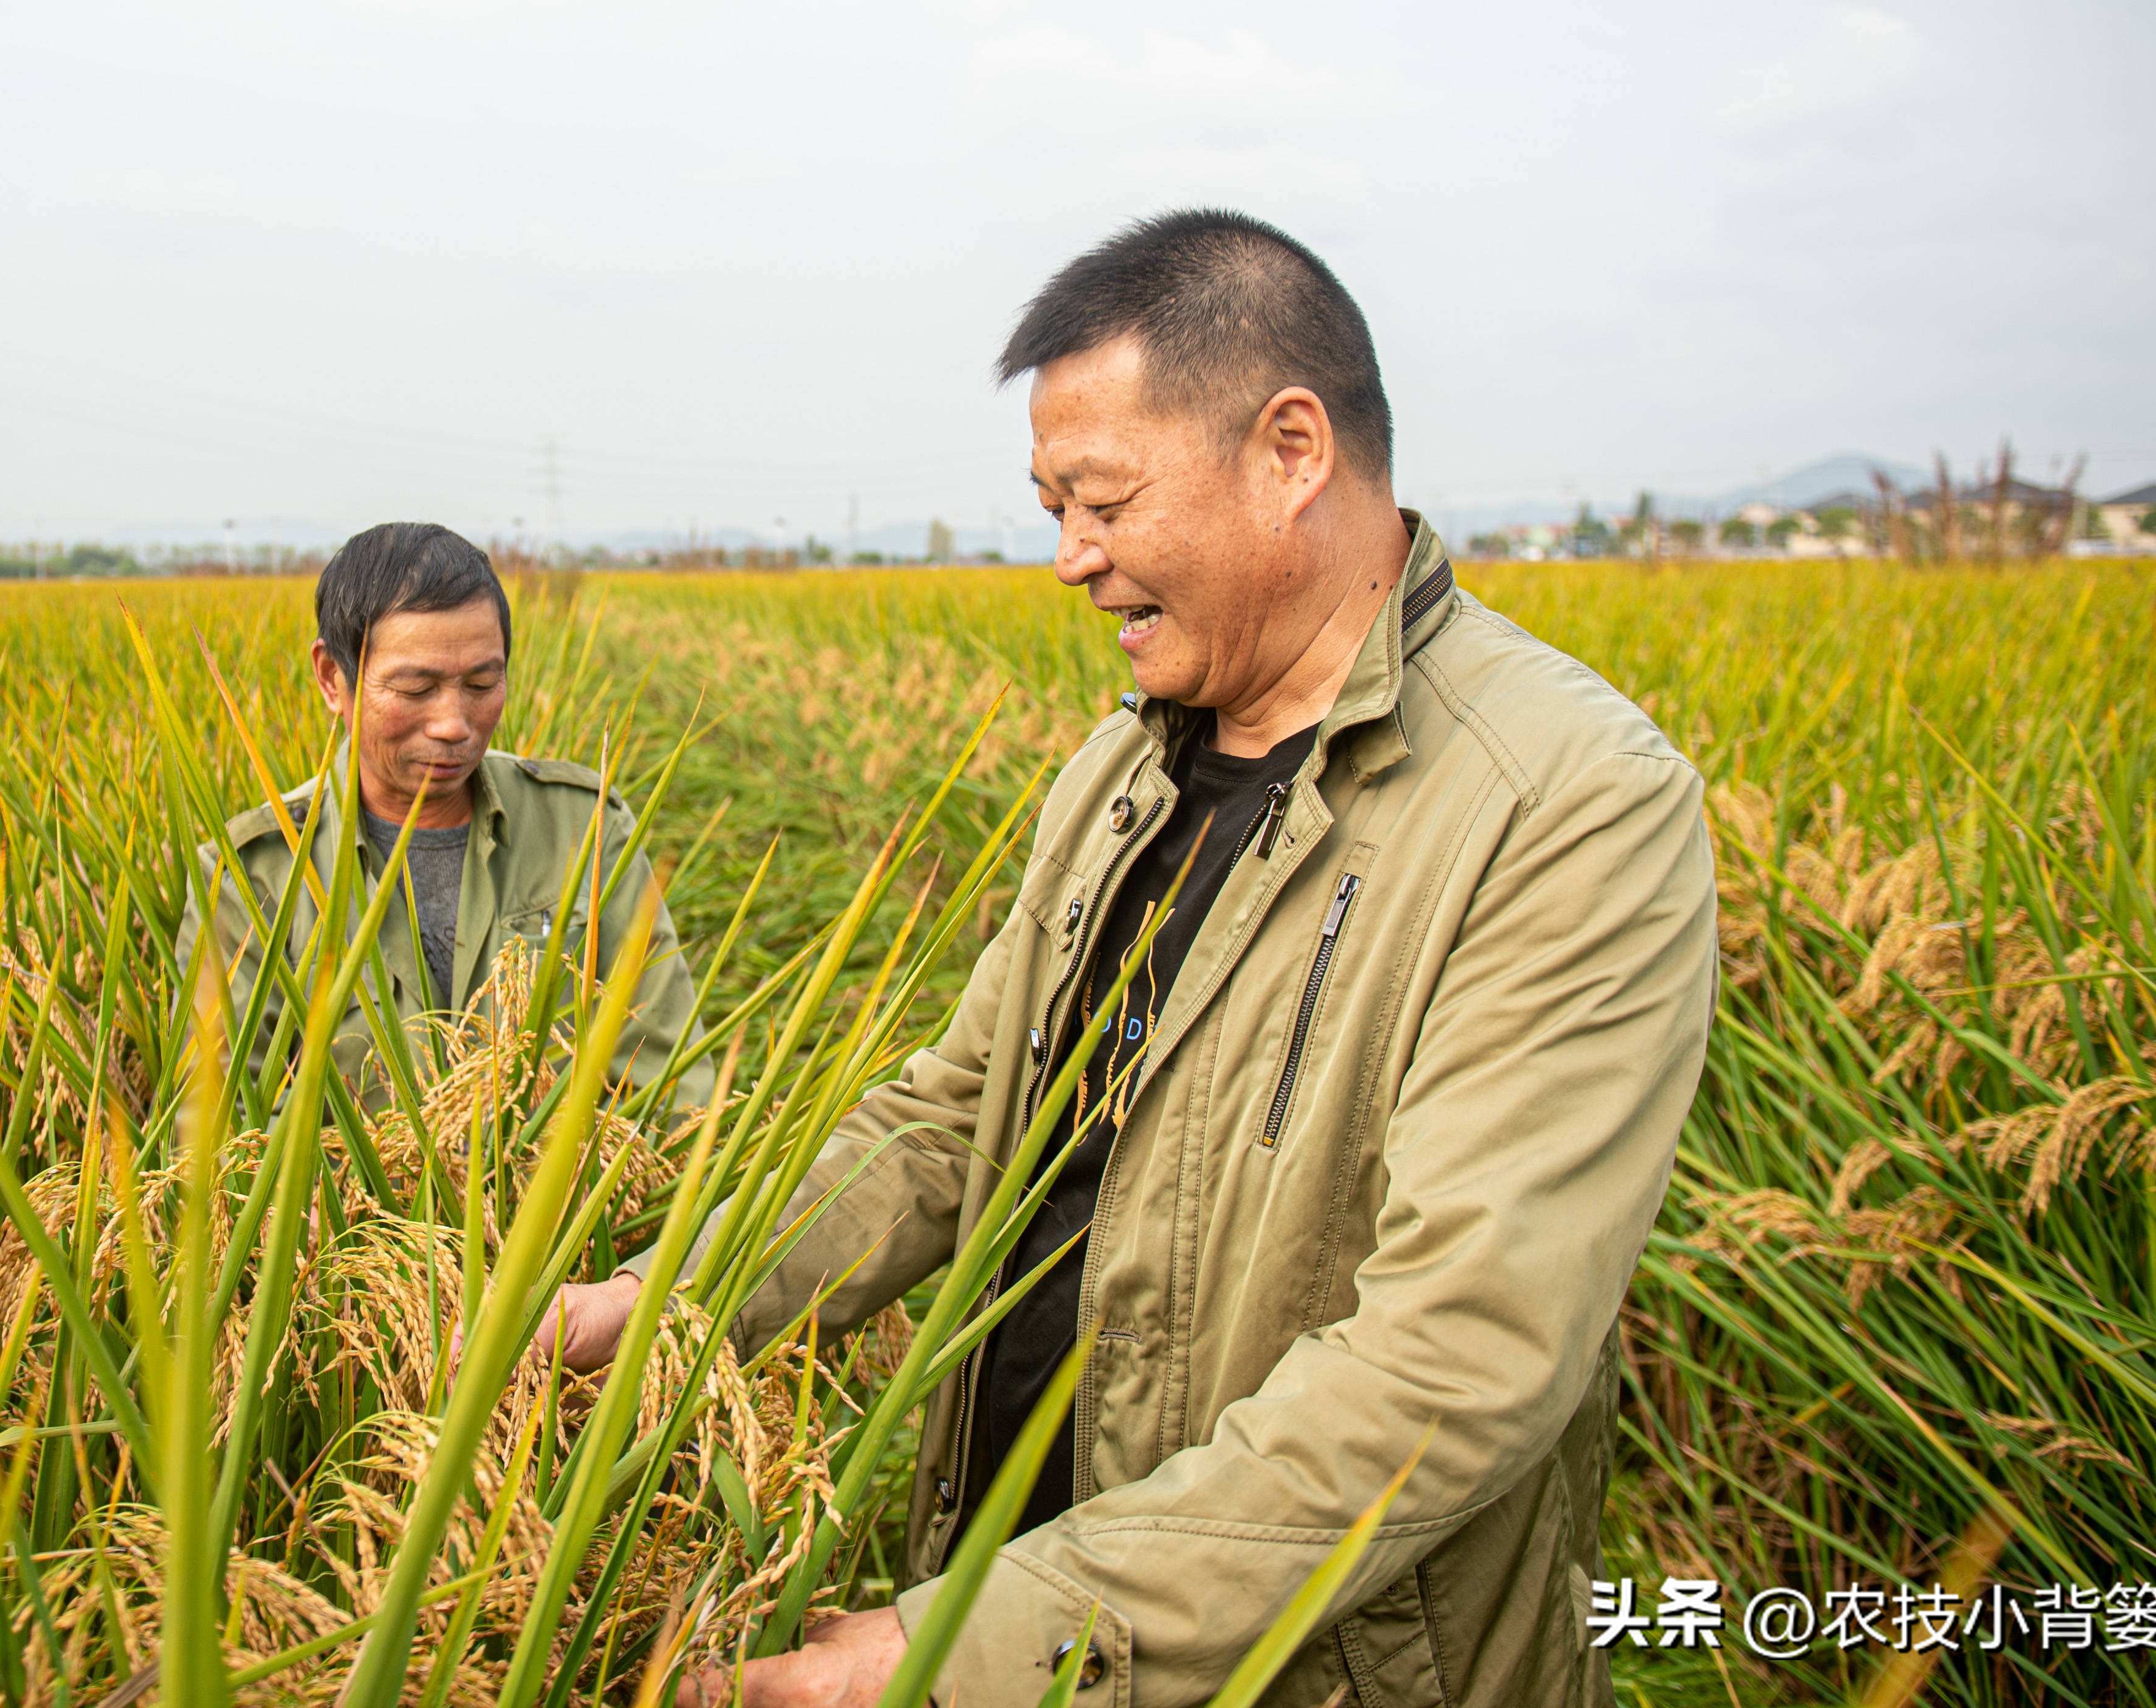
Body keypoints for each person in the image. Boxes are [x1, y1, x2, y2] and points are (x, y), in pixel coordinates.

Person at [548, 210, 1718, 1705]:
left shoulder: (1559, 804)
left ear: (1288, 452)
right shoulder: (1119, 775)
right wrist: (669, 1295)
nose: (1067, 560)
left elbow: (1456, 1357)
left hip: (1300, 1667)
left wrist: (973, 1642)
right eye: (1048, 507)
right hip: (1010, 1603)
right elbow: (950, 1121)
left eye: (1097, 500)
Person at [174, 520, 707, 1105]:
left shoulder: (582, 826)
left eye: (482, 682)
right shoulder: (256, 874)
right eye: (414, 688)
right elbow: (211, 1133)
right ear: (333, 677)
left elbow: (670, 1081)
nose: (454, 724)